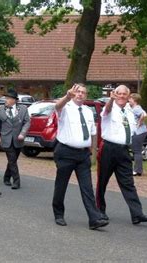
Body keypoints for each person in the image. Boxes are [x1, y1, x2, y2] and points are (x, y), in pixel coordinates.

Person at [50, 83, 108, 229]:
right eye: (77, 92)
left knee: (87, 187)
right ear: (72, 93)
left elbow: (93, 133)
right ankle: (58, 213)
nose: (80, 94)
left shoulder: (88, 111)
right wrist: (67, 96)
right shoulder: (65, 108)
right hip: (66, 152)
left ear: (86, 95)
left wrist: (93, 154)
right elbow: (56, 106)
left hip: (83, 154)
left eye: (83, 92)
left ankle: (94, 219)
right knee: (61, 185)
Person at [96, 85, 147, 225]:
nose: (121, 96)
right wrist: (110, 101)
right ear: (114, 95)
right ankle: (99, 211)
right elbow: (106, 111)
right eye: (118, 93)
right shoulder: (109, 108)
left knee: (128, 183)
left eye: (124, 94)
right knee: (102, 181)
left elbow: (136, 124)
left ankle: (137, 214)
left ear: (128, 96)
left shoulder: (129, 111)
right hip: (109, 148)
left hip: (124, 150)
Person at [0, 89, 30, 189]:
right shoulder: (0, 110)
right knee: (12, 160)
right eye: (6, 98)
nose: (6, 100)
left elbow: (27, 122)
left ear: (14, 100)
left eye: (8, 99)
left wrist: (23, 133)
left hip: (18, 139)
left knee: (12, 160)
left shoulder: (23, 109)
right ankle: (16, 181)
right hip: (6, 139)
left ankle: (6, 177)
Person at [128, 93, 147, 176]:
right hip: (141, 132)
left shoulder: (136, 108)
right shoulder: (136, 107)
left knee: (136, 151)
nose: (129, 100)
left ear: (134, 100)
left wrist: (138, 123)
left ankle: (137, 170)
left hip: (138, 132)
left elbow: (144, 115)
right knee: (137, 151)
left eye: (130, 99)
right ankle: (138, 170)